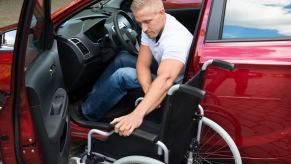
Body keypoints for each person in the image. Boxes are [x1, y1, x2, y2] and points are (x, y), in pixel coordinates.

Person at [79, 0, 193, 136]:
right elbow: (142, 64)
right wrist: (148, 90)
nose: (143, 28)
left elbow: (166, 80)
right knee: (122, 58)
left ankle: (87, 114)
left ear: (162, 12)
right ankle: (94, 99)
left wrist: (137, 115)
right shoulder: (152, 27)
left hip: (176, 87)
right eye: (140, 23)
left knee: (122, 75)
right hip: (162, 72)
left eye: (147, 21)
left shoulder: (176, 39)